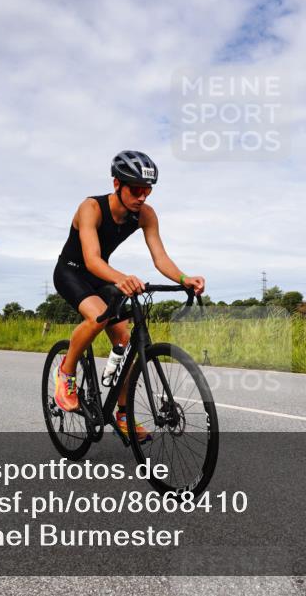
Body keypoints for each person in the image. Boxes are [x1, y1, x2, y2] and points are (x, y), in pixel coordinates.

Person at [51, 151, 205, 441]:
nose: (143, 197)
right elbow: (92, 259)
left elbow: (160, 258)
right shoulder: (91, 208)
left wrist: (185, 278)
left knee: (124, 337)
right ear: (116, 183)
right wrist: (123, 278)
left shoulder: (145, 215)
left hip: (100, 275)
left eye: (147, 190)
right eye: (136, 189)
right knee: (99, 317)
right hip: (72, 271)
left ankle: (124, 415)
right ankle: (66, 373)